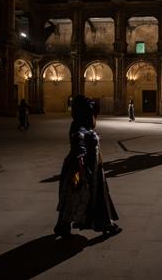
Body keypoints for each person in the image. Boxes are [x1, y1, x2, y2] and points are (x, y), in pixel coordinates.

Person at [54, 95, 121, 238]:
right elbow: (80, 151)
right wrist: (84, 172)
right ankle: (105, 224)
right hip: (83, 170)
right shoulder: (81, 130)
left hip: (86, 168)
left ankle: (63, 225)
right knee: (80, 197)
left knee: (72, 197)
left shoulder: (79, 126)